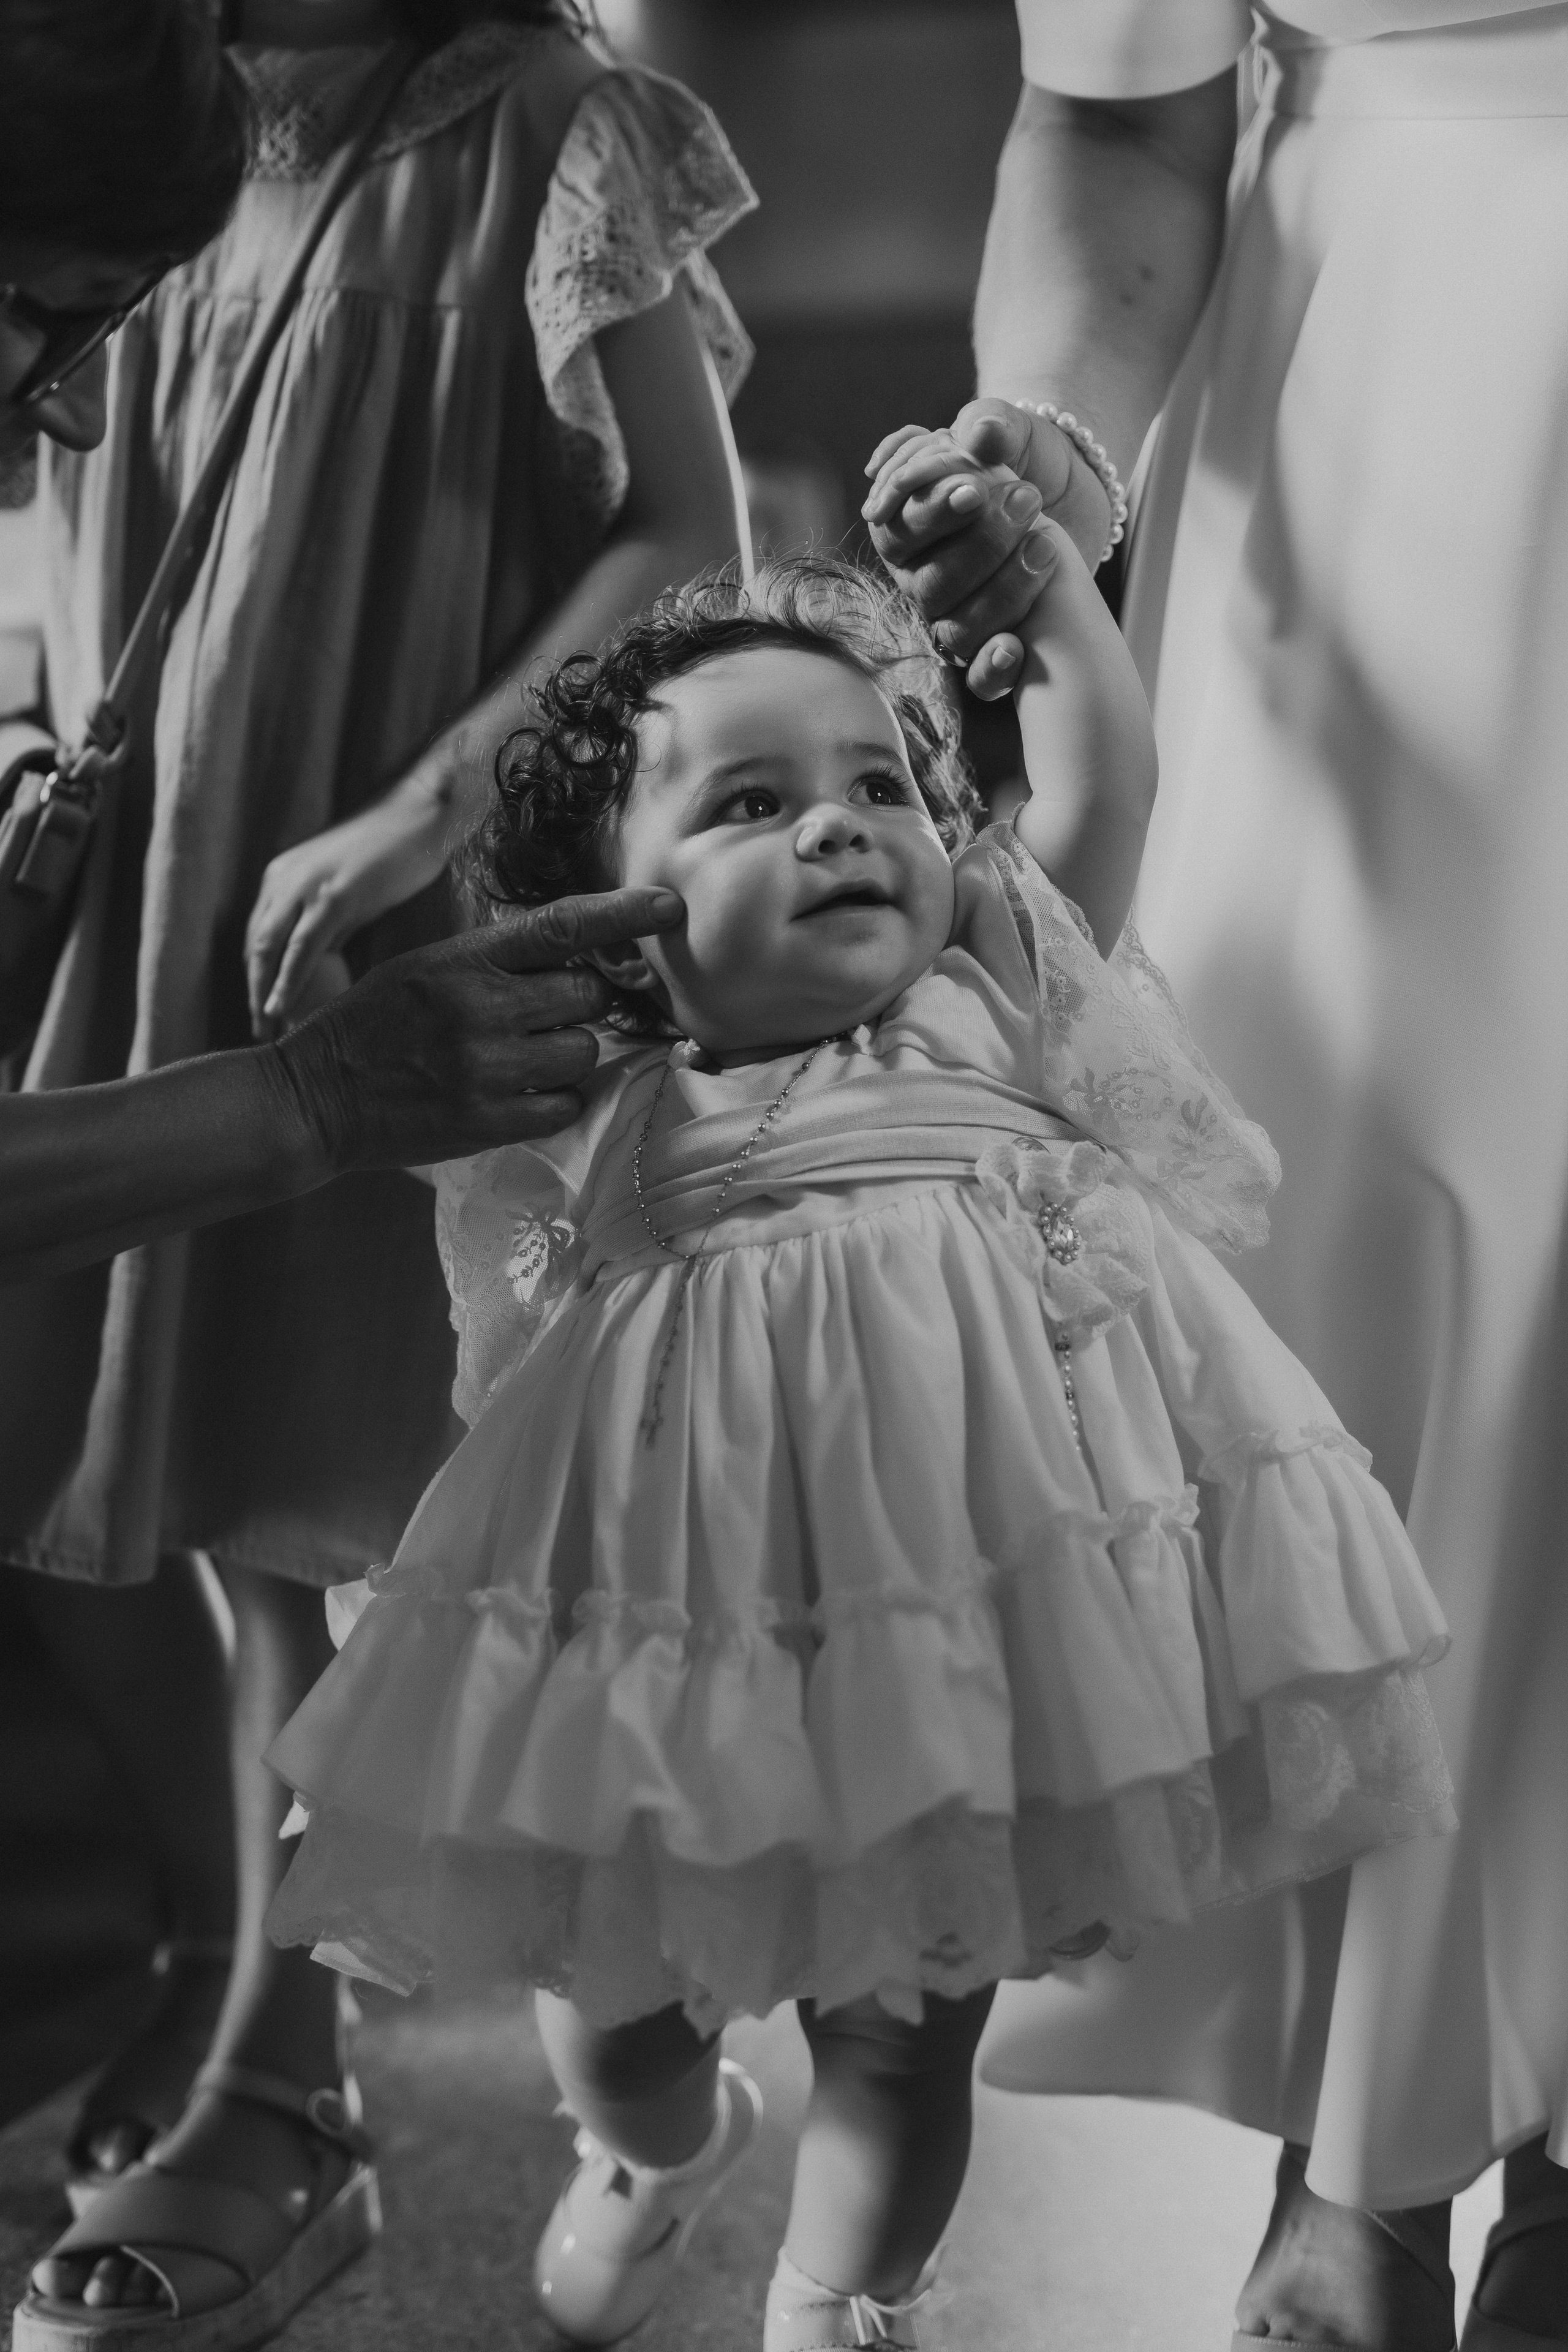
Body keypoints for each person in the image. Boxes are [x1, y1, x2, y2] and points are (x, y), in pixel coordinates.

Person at [173, 527, 1469, 2352]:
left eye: (880, 783)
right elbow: (398, 1121)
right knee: (617, 2016)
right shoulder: (607, 1093)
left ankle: (839, 2308)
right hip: (664, 1641)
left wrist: (1041, 581)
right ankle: (656, 2145)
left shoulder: (1002, 998)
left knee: (899, 2025)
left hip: (946, 1641)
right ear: (609, 919)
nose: (841, 827)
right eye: (751, 802)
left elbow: (1111, 770)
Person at [7, 0, 752, 2338]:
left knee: (445, 1498)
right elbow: (80, 517)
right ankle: (277, 2040)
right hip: (173, 877)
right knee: (236, 1500)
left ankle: (612, 2046)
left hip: (398, 894)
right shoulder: (145, 132)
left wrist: (437, 806)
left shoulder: (556, 127)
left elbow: (689, 528)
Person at [864, 7, 1568, 2350]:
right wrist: (1052, 457)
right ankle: (1354, 2160)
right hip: (1407, 455)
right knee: (1398, 1288)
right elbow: (1118, 114)